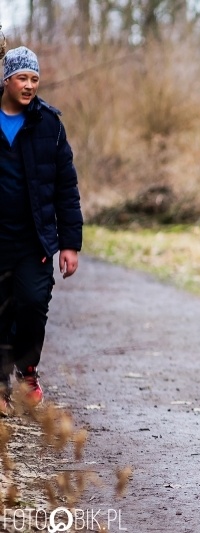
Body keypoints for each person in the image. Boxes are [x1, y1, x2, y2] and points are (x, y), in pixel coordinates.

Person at [0, 46, 83, 414]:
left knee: (33, 305)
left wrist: (70, 244)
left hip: (34, 238)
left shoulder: (49, 124)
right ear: (7, 80)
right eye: (22, 77)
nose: (30, 85)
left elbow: (66, 187)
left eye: (34, 78)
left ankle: (27, 372)